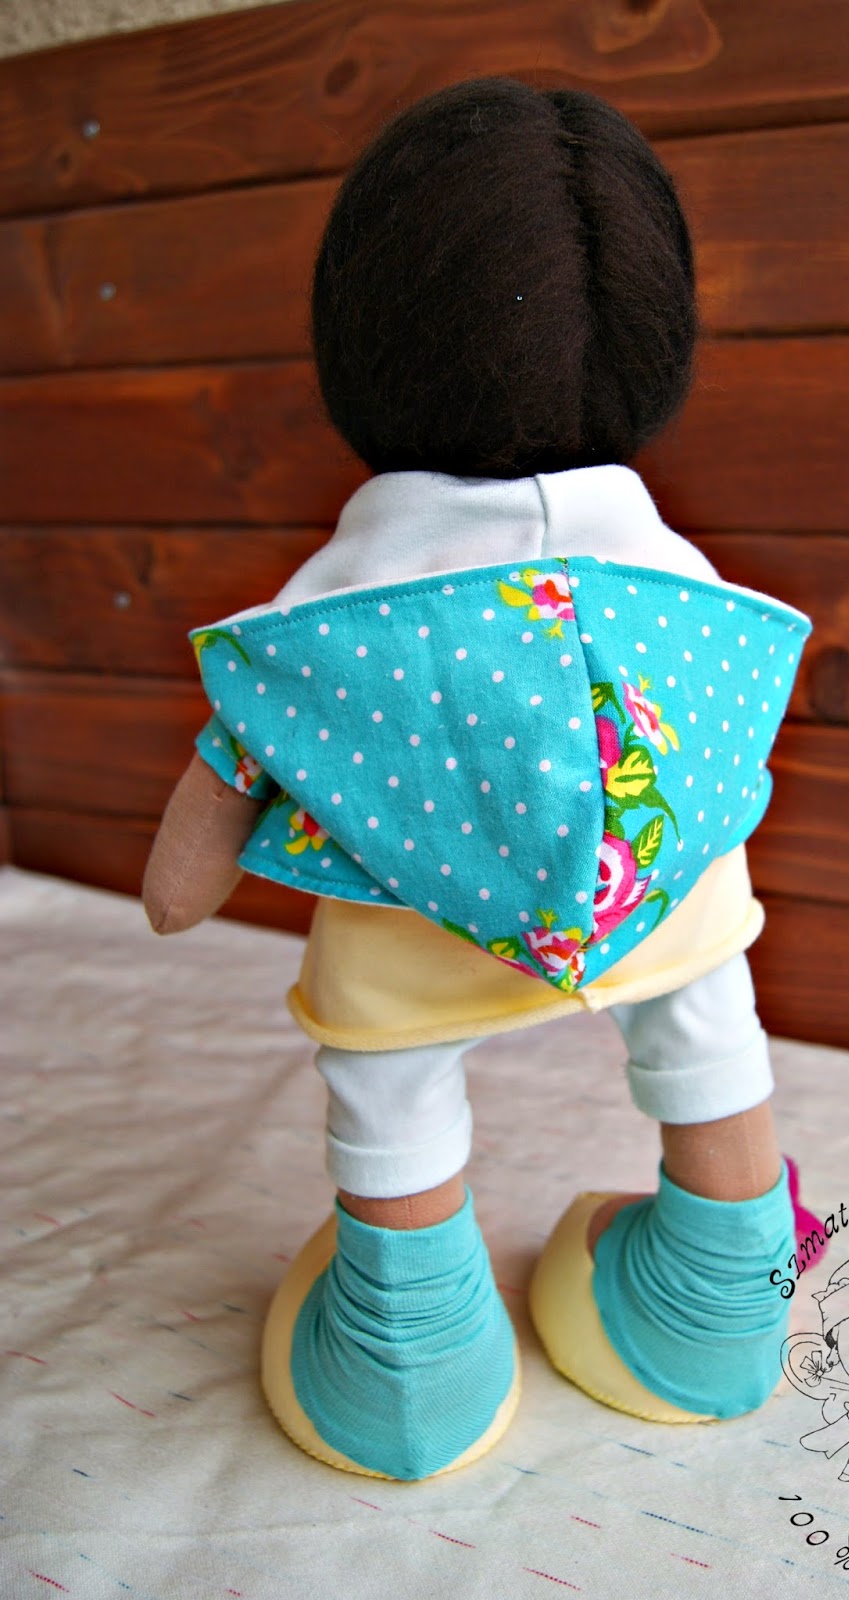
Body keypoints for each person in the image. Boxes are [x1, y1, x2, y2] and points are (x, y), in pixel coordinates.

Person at [143, 76, 814, 1482]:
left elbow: (240, 757)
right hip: (664, 905)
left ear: (369, 337)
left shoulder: (340, 599)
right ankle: (714, 1301)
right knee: (706, 1011)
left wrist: (185, 877)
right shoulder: (680, 575)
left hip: (413, 916)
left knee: (386, 1067)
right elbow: (739, 718)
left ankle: (410, 1361)